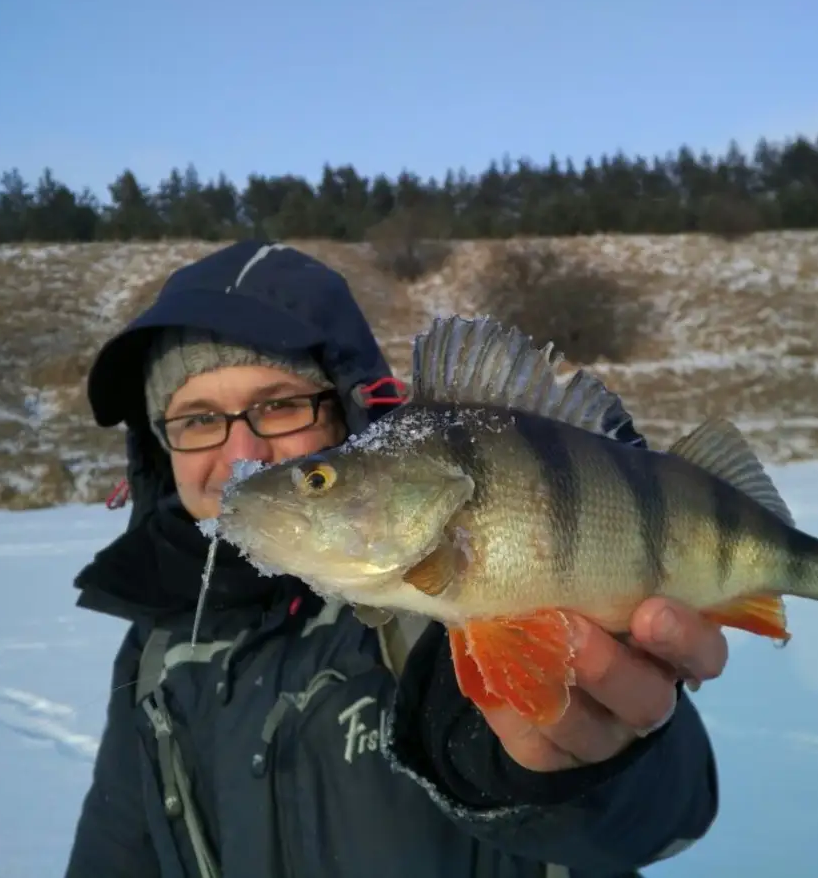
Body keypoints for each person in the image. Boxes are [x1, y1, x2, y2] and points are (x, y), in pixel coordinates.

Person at [65, 240, 725, 878]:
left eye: (282, 405)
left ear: (350, 413)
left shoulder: (440, 590)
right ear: (159, 448)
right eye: (198, 419)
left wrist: (553, 768)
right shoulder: (156, 650)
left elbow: (661, 814)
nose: (242, 457)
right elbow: (117, 850)